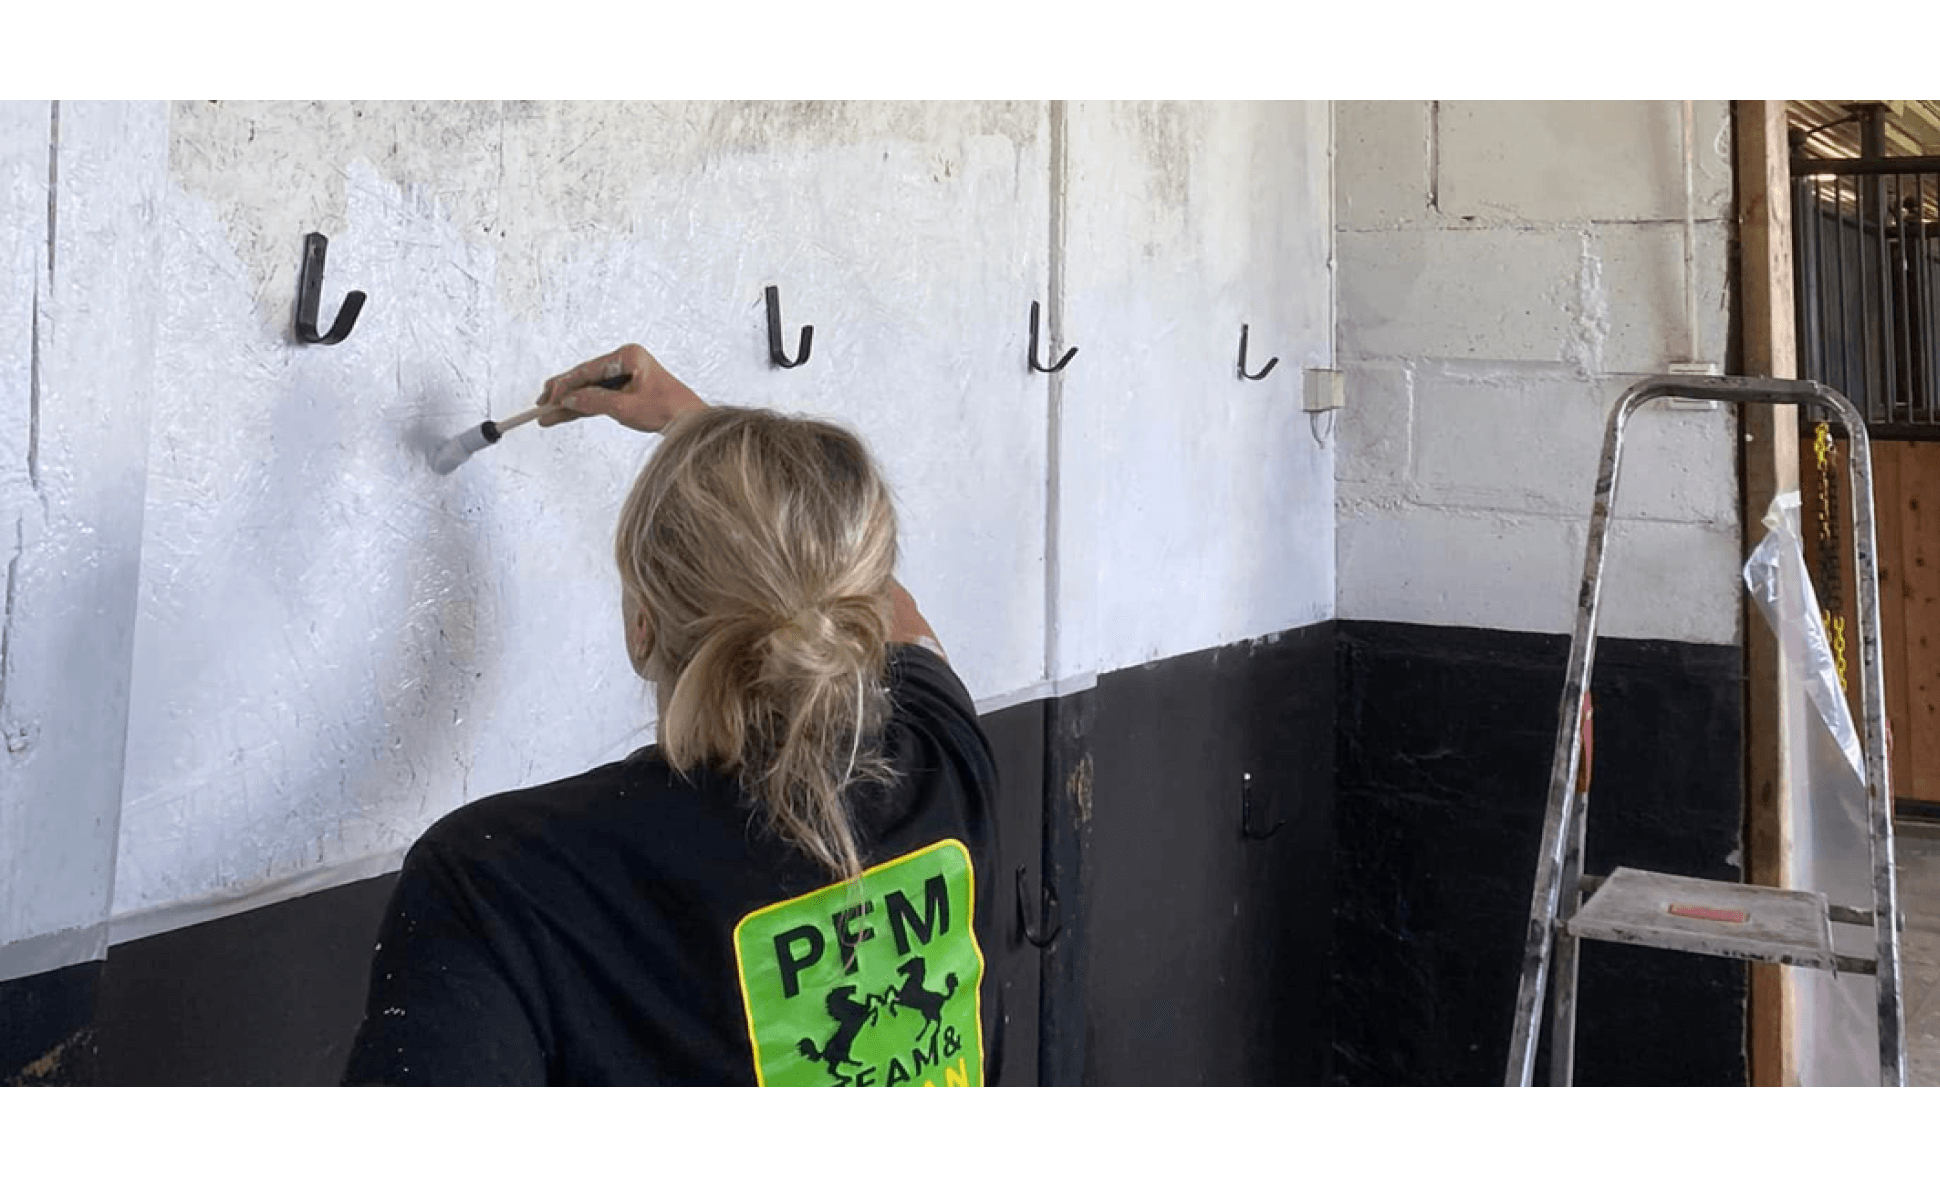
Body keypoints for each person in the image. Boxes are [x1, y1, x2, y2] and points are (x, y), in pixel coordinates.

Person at [342, 344, 1000, 1086]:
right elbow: (879, 604)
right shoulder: (942, 758)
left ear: (642, 629)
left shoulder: (503, 884)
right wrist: (706, 436)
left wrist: (701, 444)